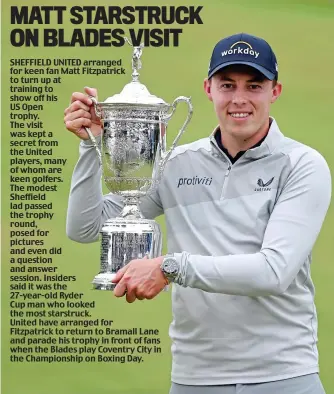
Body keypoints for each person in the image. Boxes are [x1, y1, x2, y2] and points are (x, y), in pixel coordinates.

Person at [64, 33, 331, 394]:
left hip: (283, 376)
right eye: (227, 84)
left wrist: (169, 267)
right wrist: (91, 145)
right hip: (194, 379)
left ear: (275, 91)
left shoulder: (302, 165)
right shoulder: (175, 164)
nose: (239, 99)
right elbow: (86, 227)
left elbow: (273, 271)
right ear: (208, 88)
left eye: (254, 85)